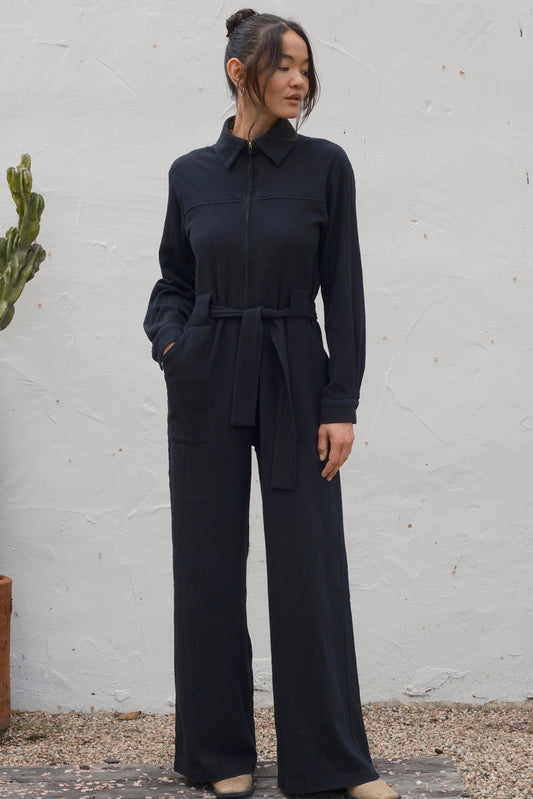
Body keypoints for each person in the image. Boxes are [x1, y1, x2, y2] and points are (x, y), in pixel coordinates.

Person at [144, 9, 401, 799]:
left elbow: (344, 293)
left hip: (295, 370)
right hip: (207, 371)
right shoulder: (191, 173)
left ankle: (330, 762)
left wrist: (342, 400)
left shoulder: (326, 167)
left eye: (305, 68)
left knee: (308, 570)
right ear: (238, 70)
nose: (299, 80)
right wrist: (171, 344)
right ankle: (218, 755)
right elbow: (172, 283)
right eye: (284, 66)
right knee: (208, 568)